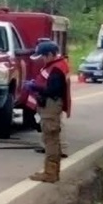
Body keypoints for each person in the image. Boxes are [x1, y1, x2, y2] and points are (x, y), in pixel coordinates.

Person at [24, 40, 72, 183]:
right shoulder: (58, 65)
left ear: (51, 54)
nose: (43, 60)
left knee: (50, 139)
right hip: (51, 104)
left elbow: (53, 90)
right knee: (52, 139)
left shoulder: (56, 69)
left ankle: (50, 173)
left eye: (44, 56)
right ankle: (51, 171)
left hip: (51, 105)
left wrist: (35, 87)